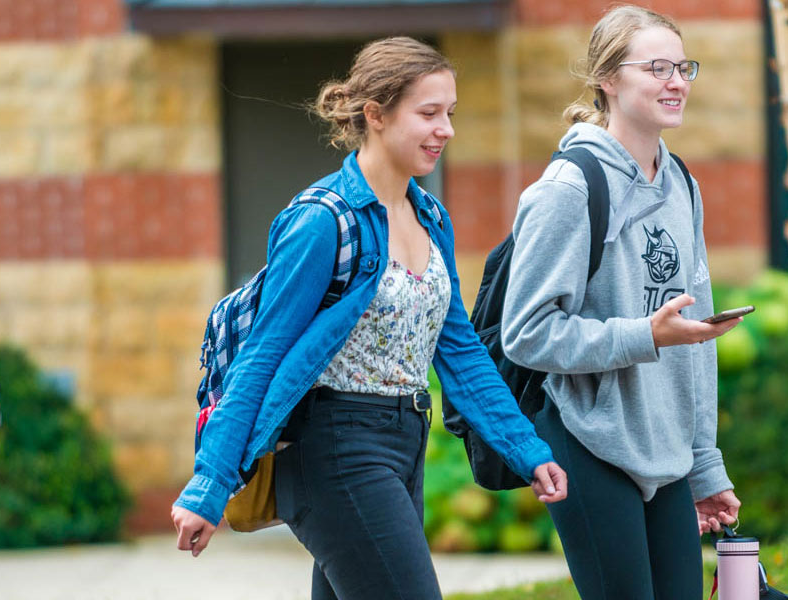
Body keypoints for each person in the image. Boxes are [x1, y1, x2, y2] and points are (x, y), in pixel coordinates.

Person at [169, 37, 568, 600]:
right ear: (375, 114)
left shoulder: (430, 217)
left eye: (449, 113)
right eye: (428, 113)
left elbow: (459, 350)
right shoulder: (322, 222)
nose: (445, 130)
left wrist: (526, 449)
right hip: (335, 447)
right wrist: (210, 484)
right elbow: (261, 357)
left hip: (405, 442)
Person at [500, 6, 742, 599]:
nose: (676, 81)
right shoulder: (567, 189)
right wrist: (646, 335)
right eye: (657, 68)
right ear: (608, 79)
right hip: (588, 440)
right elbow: (526, 333)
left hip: (668, 453)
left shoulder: (682, 184)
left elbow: (696, 345)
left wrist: (704, 464)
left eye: (684, 67)